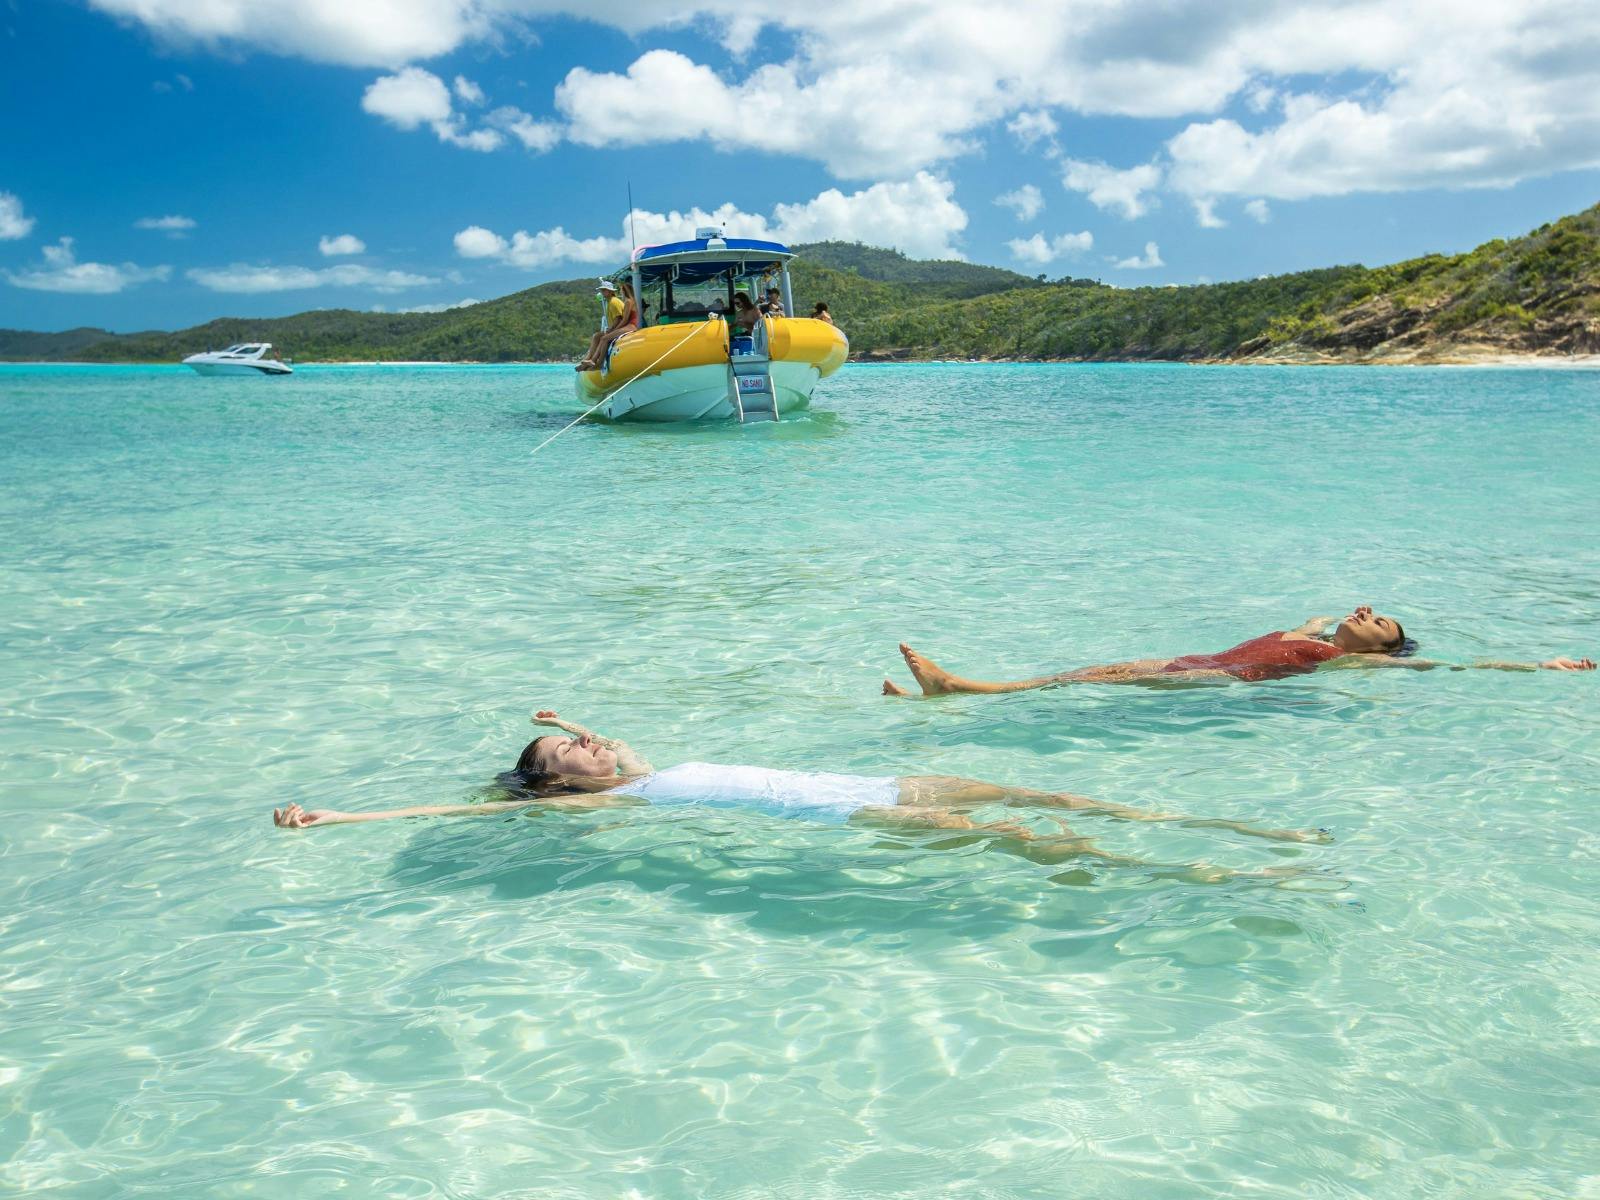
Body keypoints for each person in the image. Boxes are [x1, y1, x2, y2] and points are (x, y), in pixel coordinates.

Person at [271, 710, 1330, 877]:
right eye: (570, 754)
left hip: (867, 776)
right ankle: (1205, 870)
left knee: (1043, 789)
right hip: (841, 810)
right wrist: (337, 816)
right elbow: (458, 810)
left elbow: (604, 732)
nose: (588, 747)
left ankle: (1228, 824)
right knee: (1013, 833)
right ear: (559, 791)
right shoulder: (606, 802)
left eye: (587, 739)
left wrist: (565, 713)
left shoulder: (637, 765)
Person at [882, 606, 1595, 696]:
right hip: (1193, 660)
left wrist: (1539, 664)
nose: (1368, 611)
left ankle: (961, 689)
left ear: (1385, 650)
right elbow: (1323, 611)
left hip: (1212, 681)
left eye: (1381, 620)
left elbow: (1455, 666)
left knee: (1086, 678)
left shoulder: (1350, 660)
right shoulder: (1316, 632)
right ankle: (954, 692)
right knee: (1087, 672)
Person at [576, 280, 637, 371]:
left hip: (631, 326)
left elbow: (622, 319)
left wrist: (614, 329)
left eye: (604, 290)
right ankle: (589, 361)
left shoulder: (623, 302)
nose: (620, 292)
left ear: (624, 291)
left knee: (604, 338)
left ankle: (598, 363)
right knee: (598, 336)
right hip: (629, 325)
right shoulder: (626, 301)